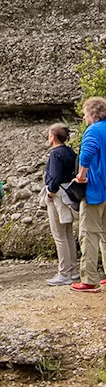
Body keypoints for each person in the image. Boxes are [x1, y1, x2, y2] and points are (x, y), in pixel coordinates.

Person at [71, 97, 106, 293]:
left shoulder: (93, 130)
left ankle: (90, 279)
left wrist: (81, 176)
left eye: (85, 114)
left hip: (95, 189)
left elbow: (87, 154)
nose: (84, 118)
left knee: (90, 234)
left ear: (93, 114)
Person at [43, 123, 79, 286]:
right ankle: (73, 269)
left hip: (58, 196)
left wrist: (50, 191)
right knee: (68, 232)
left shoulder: (55, 154)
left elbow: (55, 176)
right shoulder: (69, 152)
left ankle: (64, 272)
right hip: (69, 194)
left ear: (53, 136)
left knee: (59, 234)